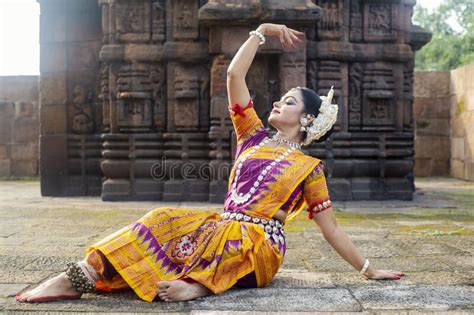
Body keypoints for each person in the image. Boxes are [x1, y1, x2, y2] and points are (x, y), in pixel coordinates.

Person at [16, 23, 405, 304]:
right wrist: (261, 31)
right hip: (224, 226)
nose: (277, 102)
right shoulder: (252, 135)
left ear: (306, 121)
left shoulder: (309, 169)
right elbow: (235, 74)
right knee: (160, 218)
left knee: (236, 240)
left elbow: (331, 228)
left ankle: (198, 285)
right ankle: (79, 275)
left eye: (289, 101)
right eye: (281, 97)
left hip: (260, 246)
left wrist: (367, 268)